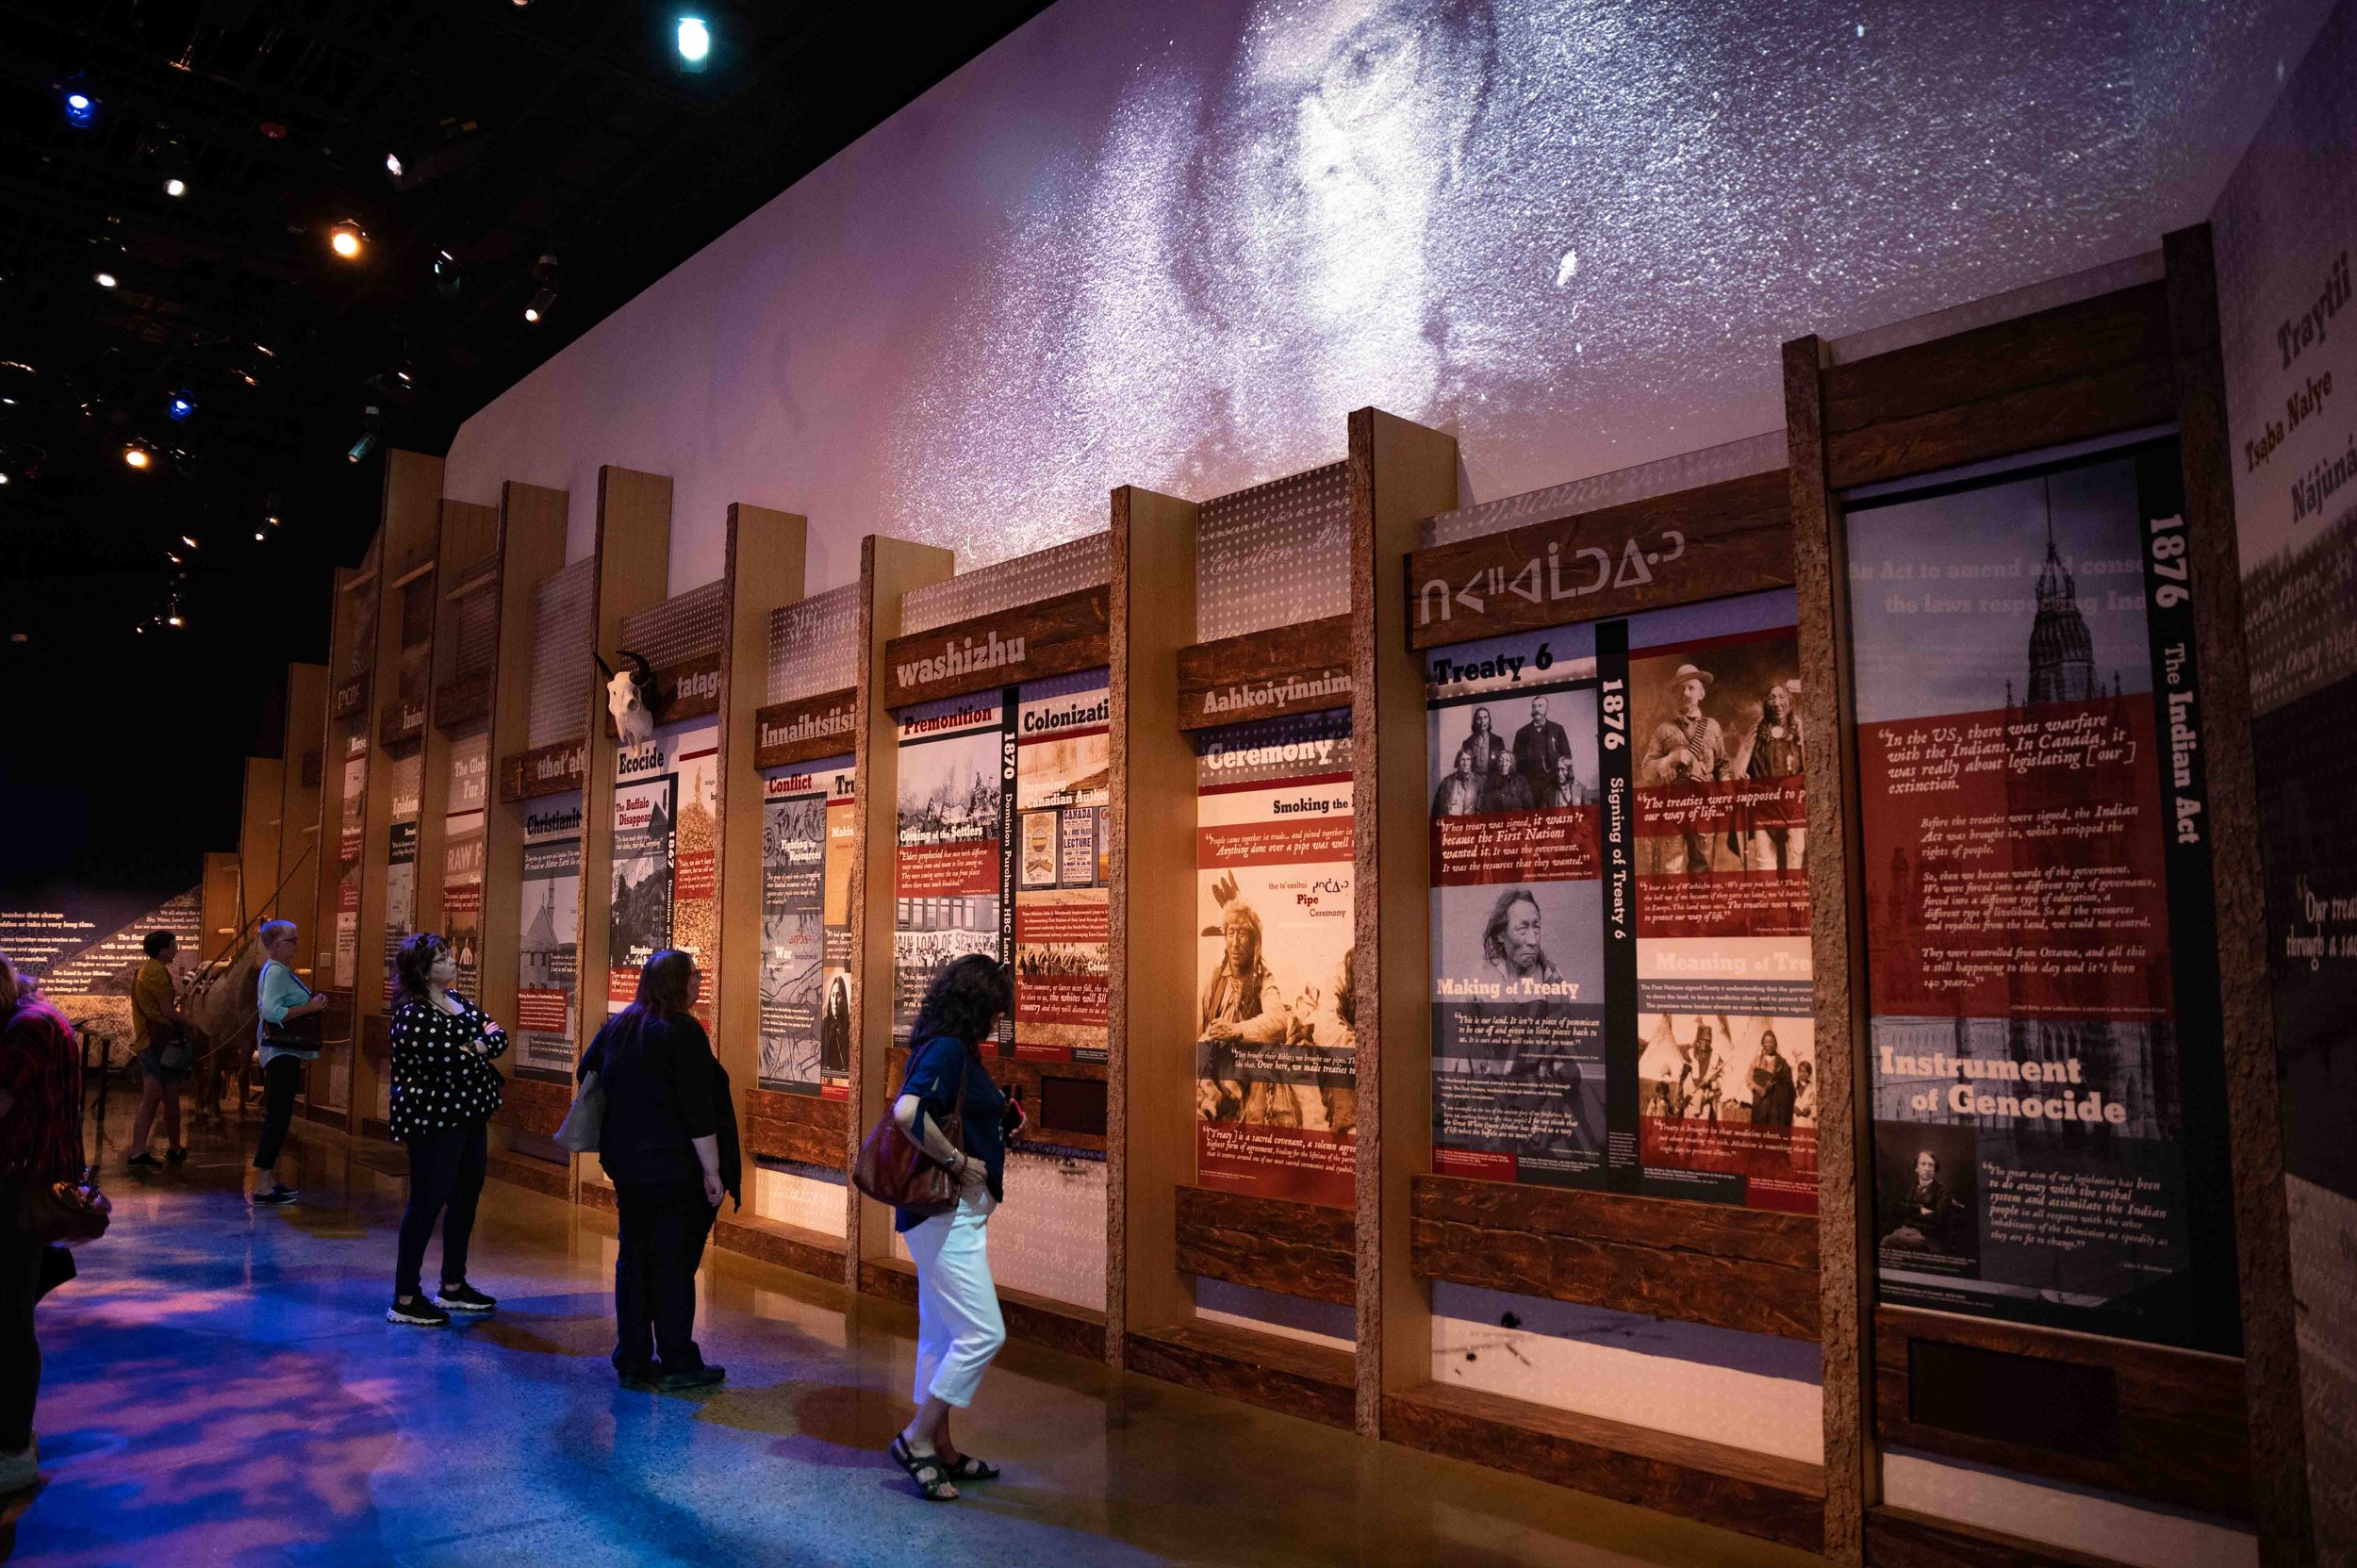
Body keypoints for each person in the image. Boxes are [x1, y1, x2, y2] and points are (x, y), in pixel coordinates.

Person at [887, 954, 1022, 1502]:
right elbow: (908, 1113)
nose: (998, 1019)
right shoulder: (946, 1048)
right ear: (977, 1005)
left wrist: (1001, 1119)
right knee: (983, 1333)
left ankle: (941, 1447)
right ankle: (917, 1438)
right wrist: (959, 1163)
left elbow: (957, 1110)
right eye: (995, 1009)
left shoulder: (950, 1047)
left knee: (941, 1336)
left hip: (949, 1218)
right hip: (944, 1216)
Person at [579, 949, 739, 1392]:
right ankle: (677, 1361)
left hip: (629, 1168)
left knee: (633, 1259)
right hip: (675, 1170)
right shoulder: (682, 1031)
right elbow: (697, 1110)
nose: (698, 982)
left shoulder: (622, 1025)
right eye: (694, 975)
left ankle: (632, 1359)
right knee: (672, 1265)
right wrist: (712, 1171)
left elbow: (586, 1072)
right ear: (678, 982)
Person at [0, 954, 98, 1494]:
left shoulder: (27, 1029)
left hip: (17, 1189)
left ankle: (12, 1449)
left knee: (9, 1324)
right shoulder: (39, 1015)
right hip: (31, 1185)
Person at [386, 933, 508, 1328]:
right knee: (426, 1203)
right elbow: (445, 1059)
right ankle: (405, 1297)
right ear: (422, 971)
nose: (453, 962)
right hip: (433, 1118)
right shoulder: (413, 1012)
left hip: (471, 1113)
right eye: (442, 959)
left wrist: (474, 1047)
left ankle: (453, 1284)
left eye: (450, 956)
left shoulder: (458, 1001)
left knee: (465, 1198)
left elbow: (499, 1036)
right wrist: (475, 1048)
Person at [252, 920, 329, 1206]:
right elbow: (272, 1011)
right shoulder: (275, 972)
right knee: (278, 1118)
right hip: (281, 1053)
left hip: (286, 1053)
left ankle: (269, 1179)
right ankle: (262, 1184)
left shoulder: (281, 970)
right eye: (292, 940)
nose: (297, 945)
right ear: (276, 946)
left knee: (280, 1117)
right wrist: (310, 1007)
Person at [1641, 662, 1732, 874]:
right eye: (1680, 689)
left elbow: (1722, 765)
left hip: (1704, 804)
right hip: (1673, 805)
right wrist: (1671, 758)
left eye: (1691, 688)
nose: (1685, 693)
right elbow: (1647, 769)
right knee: (1670, 870)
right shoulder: (1664, 730)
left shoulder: (1712, 727)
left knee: (1703, 869)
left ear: (1701, 693)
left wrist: (1727, 788)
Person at [126, 930, 190, 1167]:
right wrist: (192, 1023)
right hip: (158, 1043)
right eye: (174, 945)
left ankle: (163, 1148)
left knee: (158, 1096)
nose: (176, 949)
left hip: (151, 1041)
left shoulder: (147, 970)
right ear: (163, 950)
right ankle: (165, 1149)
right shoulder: (156, 973)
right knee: (163, 1096)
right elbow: (166, 1011)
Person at [1743, 679, 1806, 873]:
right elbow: (1740, 769)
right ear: (1766, 703)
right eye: (1772, 698)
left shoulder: (1800, 729)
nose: (1777, 703)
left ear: (1790, 701)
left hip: (1793, 806)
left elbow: (1812, 769)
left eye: (1781, 697)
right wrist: (1746, 780)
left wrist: (1795, 781)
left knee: (1795, 866)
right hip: (1764, 807)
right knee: (1765, 870)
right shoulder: (1757, 731)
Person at [1480, 888, 1561, 991]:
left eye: (1536, 927)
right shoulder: (1483, 976)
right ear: (1500, 935)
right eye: (1522, 928)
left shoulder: (1554, 977)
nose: (1533, 941)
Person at [1510, 695, 1574, 804]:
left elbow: (1567, 757)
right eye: (1534, 706)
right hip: (1530, 784)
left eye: (1540, 706)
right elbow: (1516, 762)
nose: (1537, 709)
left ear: (1547, 708)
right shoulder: (1521, 733)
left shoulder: (1557, 729)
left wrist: (1567, 781)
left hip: (1553, 782)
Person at [1748, 1029, 1796, 1127]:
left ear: (1775, 1044)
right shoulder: (1757, 1060)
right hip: (1759, 1103)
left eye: (1771, 1042)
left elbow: (1788, 1085)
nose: (1769, 1045)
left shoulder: (1782, 1063)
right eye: (1766, 1042)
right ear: (1762, 1044)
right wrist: (1758, 1088)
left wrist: (1775, 1086)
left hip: (1774, 1106)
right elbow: (1748, 1078)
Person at [1429, 745, 1482, 817]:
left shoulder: (1478, 783)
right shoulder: (1446, 782)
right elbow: (1437, 809)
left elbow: (1481, 811)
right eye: (1462, 759)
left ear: (1471, 762)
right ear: (1457, 762)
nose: (1465, 763)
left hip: (1470, 822)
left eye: (1468, 759)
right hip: (1450, 821)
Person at [1482, 745, 1534, 813]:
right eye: (1500, 760)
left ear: (1512, 763)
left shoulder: (1521, 781)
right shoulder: (1491, 782)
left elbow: (1529, 806)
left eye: (1507, 760)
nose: (1504, 764)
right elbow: (1487, 807)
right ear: (1497, 764)